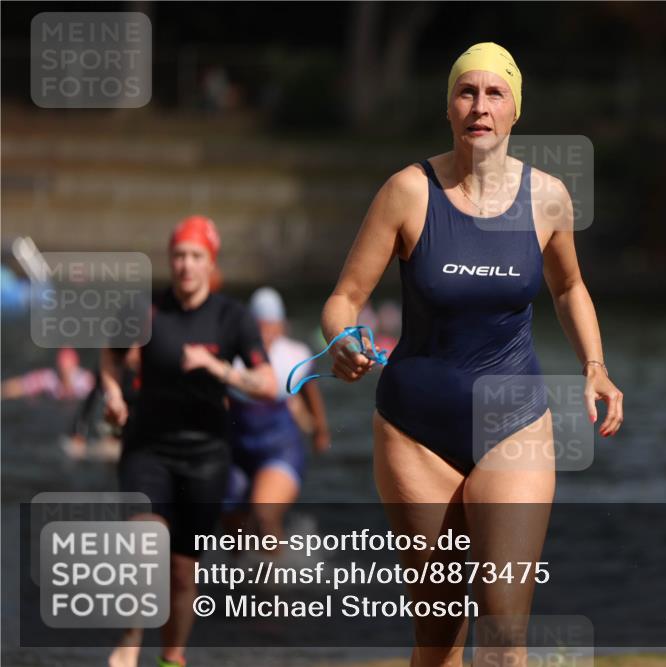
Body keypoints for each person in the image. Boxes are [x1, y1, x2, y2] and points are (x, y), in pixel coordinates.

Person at [320, 42, 623, 665]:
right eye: (467, 92)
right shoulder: (408, 192)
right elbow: (345, 298)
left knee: (504, 631)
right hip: (415, 432)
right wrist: (343, 339)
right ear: (449, 108)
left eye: (495, 93)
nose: (480, 107)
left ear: (515, 109)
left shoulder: (547, 198)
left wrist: (594, 367)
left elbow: (569, 287)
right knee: (439, 636)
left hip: (515, 422)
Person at [102, 215, 277, 667]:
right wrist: (113, 394)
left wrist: (217, 368)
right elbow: (111, 355)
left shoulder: (232, 318)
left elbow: (267, 383)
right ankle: (129, 645)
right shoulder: (146, 310)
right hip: (147, 447)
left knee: (182, 571)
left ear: (210, 262)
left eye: (196, 256)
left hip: (206, 456)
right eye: (179, 255)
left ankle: (171, 658)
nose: (186, 265)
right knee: (145, 542)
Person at [223, 286, 330, 549]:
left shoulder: (294, 355)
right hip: (235, 448)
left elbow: (310, 393)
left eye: (272, 326)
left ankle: (277, 573)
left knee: (264, 516)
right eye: (260, 326)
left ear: (281, 326)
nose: (266, 333)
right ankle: (242, 574)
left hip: (279, 447)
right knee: (234, 533)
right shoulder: (230, 356)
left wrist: (320, 430)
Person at [1, 347, 94, 401]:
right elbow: (20, 385)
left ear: (75, 366)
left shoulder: (86, 381)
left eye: (68, 369)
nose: (65, 372)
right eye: (62, 368)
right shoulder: (49, 378)